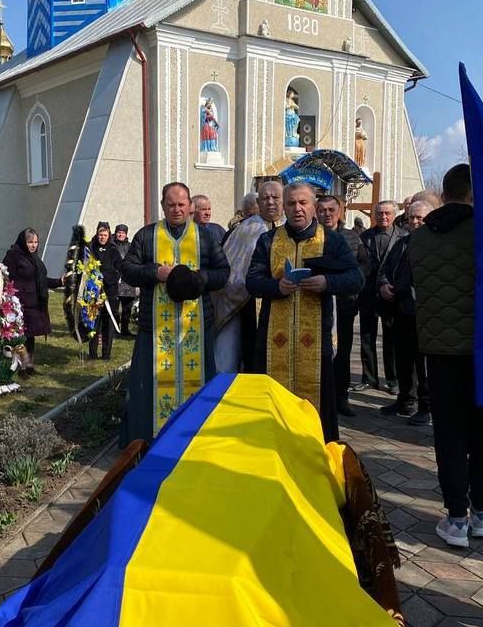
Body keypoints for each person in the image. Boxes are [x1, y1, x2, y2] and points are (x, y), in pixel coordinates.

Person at [411, 164, 483, 549]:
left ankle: (456, 518)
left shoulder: (418, 238)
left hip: (440, 349)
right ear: (473, 195)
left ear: (443, 195)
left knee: (449, 433)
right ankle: (482, 512)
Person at [247, 181, 363, 443]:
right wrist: (276, 287)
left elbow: (356, 279)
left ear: (313, 206)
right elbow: (251, 282)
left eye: (303, 203)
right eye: (291, 203)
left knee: (319, 410)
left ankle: (316, 454)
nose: (297, 208)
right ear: (284, 207)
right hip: (273, 340)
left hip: (316, 342)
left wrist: (327, 282)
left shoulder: (331, 240)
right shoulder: (268, 240)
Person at [119, 182, 229, 444]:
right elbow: (128, 269)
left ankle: (196, 441)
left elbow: (223, 272)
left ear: (190, 206)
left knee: (199, 386)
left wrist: (199, 278)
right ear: (162, 206)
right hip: (154, 329)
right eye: (171, 205)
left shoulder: (205, 237)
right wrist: (155, 272)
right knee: (148, 387)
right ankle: (146, 442)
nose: (176, 209)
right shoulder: (146, 236)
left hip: (196, 328)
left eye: (181, 204)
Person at [212, 181, 283, 373]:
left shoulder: (289, 227)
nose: (270, 202)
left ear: (283, 200)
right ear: (258, 203)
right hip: (247, 303)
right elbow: (233, 269)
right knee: (249, 354)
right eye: (265, 198)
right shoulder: (246, 229)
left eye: (275, 197)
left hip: (282, 301)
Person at [378, 200, 432, 426]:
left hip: (425, 314)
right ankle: (405, 400)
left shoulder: (435, 244)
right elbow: (384, 270)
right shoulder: (402, 243)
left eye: (420, 218)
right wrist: (384, 284)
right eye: (412, 217)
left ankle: (426, 407)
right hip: (400, 311)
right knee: (403, 360)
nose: (415, 221)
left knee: (423, 365)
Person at [315, 194, 363, 418]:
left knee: (342, 353)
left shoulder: (352, 237)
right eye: (322, 210)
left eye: (331, 210)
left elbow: (363, 268)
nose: (327, 214)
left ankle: (341, 398)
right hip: (318, 305)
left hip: (344, 305)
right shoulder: (313, 237)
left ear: (340, 211)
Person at [357, 200, 405, 393]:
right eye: (379, 213)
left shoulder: (403, 236)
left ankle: (393, 380)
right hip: (368, 294)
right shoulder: (365, 236)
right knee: (367, 338)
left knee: (391, 340)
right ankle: (369, 378)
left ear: (394, 215)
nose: (383, 217)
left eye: (387, 213)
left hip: (391, 294)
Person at [4, 228, 63, 372]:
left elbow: (41, 279)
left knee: (30, 336)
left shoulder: (34, 258)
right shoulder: (13, 256)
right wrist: (12, 301)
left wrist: (59, 282)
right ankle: (20, 367)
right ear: (23, 242)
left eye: (36, 242)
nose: (33, 245)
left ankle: (28, 365)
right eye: (30, 242)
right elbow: (7, 278)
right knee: (21, 337)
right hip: (21, 304)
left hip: (34, 303)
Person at [88, 222, 122, 360]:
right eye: (100, 235)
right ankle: (92, 353)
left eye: (105, 235)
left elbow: (119, 269)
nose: (102, 237)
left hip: (110, 292)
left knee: (108, 323)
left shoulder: (113, 250)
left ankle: (106, 354)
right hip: (93, 292)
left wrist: (104, 277)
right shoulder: (91, 249)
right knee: (94, 323)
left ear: (109, 236)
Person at [114, 224, 137, 338]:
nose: (121, 235)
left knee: (127, 307)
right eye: (119, 232)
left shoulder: (131, 246)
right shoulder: (112, 246)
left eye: (123, 233)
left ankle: (125, 329)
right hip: (115, 280)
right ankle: (114, 328)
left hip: (128, 280)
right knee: (114, 306)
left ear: (126, 234)